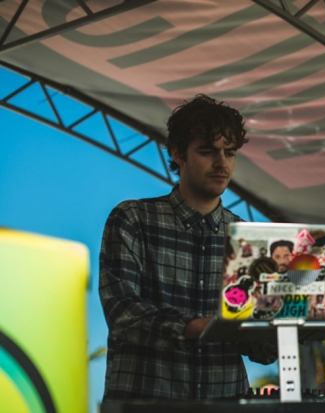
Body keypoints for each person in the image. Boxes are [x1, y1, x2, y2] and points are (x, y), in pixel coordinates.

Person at [99, 94, 276, 401]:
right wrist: (198, 327)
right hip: (146, 402)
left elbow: (261, 353)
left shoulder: (249, 238)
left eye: (230, 152)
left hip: (225, 401)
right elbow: (123, 313)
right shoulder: (133, 218)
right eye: (208, 151)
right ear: (178, 154)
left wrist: (284, 329)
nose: (222, 162)